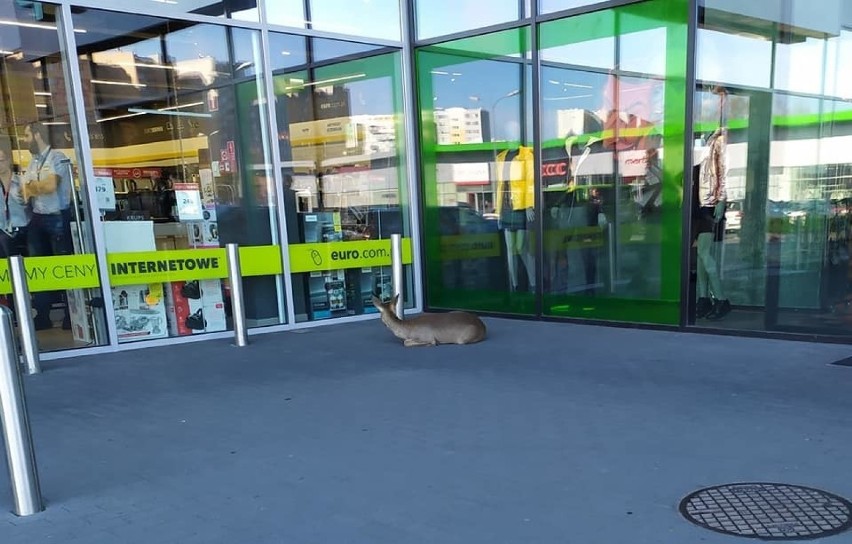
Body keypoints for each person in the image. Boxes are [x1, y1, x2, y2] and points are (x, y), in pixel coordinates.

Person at [20, 121, 73, 330]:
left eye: (26, 136)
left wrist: (34, 187)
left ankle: (72, 314)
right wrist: (34, 188)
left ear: (37, 135)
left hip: (58, 217)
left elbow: (51, 186)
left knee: (63, 269)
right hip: (37, 218)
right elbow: (24, 191)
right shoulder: (33, 162)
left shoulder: (57, 157)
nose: (25, 141)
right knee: (38, 270)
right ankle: (42, 315)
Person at [495, 144, 535, 292]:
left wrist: (529, 205)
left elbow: (531, 181)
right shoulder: (501, 158)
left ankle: (533, 281)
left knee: (521, 247)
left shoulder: (526, 155)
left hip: (520, 206)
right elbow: (500, 186)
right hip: (506, 207)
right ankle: (515, 285)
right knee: (510, 249)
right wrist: (498, 209)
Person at [0, 147, 30, 258]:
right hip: (3, 232)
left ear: (8, 161)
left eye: (1, 161)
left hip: (23, 230)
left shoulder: (21, 181)